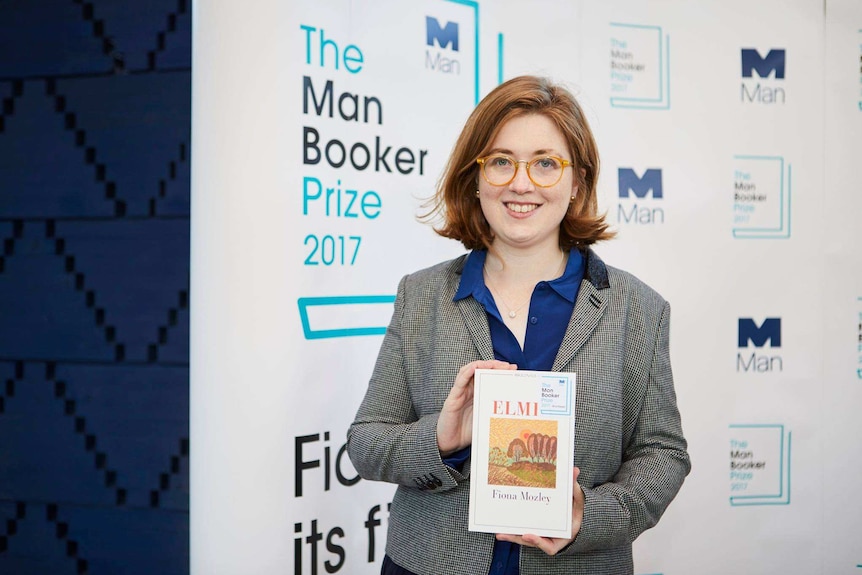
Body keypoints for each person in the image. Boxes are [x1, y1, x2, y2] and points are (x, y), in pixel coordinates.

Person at [346, 75, 690, 575]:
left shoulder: (638, 309)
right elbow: (365, 442)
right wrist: (439, 440)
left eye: (546, 163)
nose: (521, 183)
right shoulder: (421, 296)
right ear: (476, 179)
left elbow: (662, 453)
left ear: (577, 183)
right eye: (501, 161)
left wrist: (589, 517)